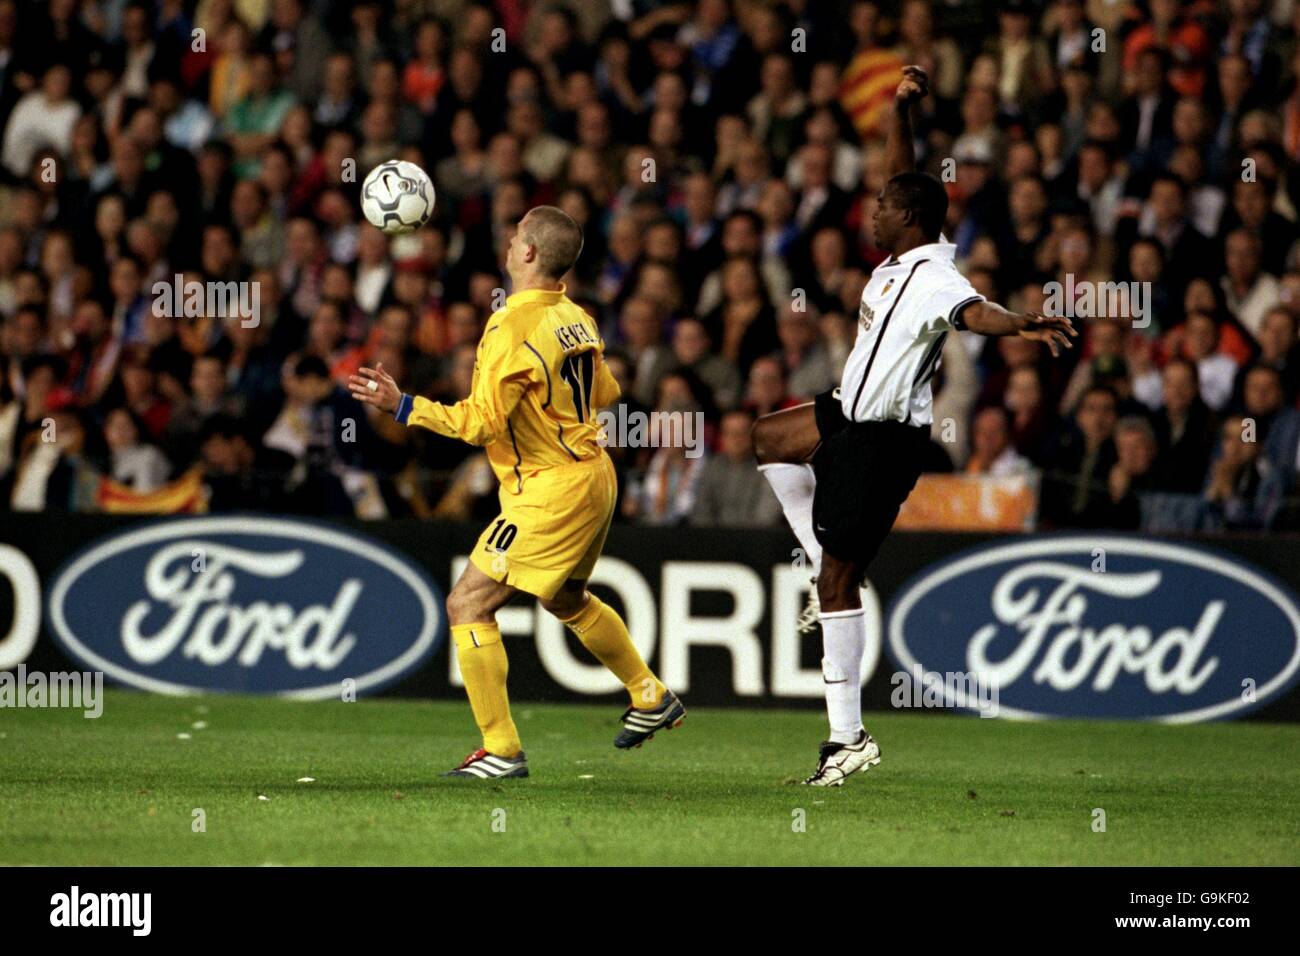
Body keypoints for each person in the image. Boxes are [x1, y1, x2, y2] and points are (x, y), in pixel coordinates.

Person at [750, 67, 1076, 787]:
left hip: (884, 437)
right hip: (846, 412)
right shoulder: (900, 255)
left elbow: (977, 313)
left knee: (840, 580)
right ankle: (815, 559)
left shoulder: (935, 278)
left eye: (881, 206)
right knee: (768, 438)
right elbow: (900, 170)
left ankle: (847, 740)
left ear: (908, 218)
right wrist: (899, 105)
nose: (870, 212)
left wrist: (1023, 321)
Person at [349, 206, 683, 780]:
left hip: (552, 488)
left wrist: (403, 406)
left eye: (515, 236)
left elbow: (479, 425)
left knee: (467, 604)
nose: (507, 242)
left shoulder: (509, 327)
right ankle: (649, 694)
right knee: (566, 600)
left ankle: (501, 749)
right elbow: (606, 389)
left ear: (528, 254)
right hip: (594, 474)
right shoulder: (576, 316)